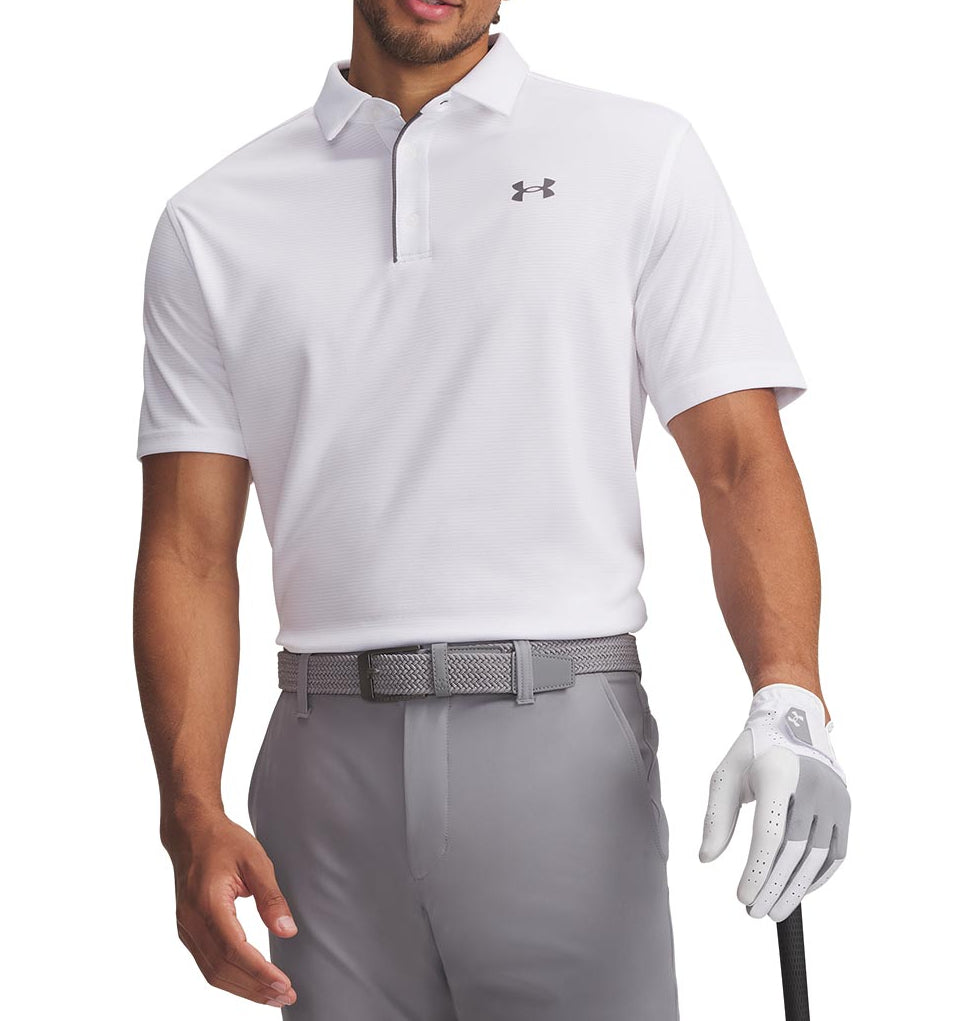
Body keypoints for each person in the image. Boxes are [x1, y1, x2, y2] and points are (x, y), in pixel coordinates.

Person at [132, 2, 851, 1018]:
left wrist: (789, 699)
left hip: (562, 753)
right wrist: (189, 810)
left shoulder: (636, 155)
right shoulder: (213, 218)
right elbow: (188, 548)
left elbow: (737, 461)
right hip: (319, 772)